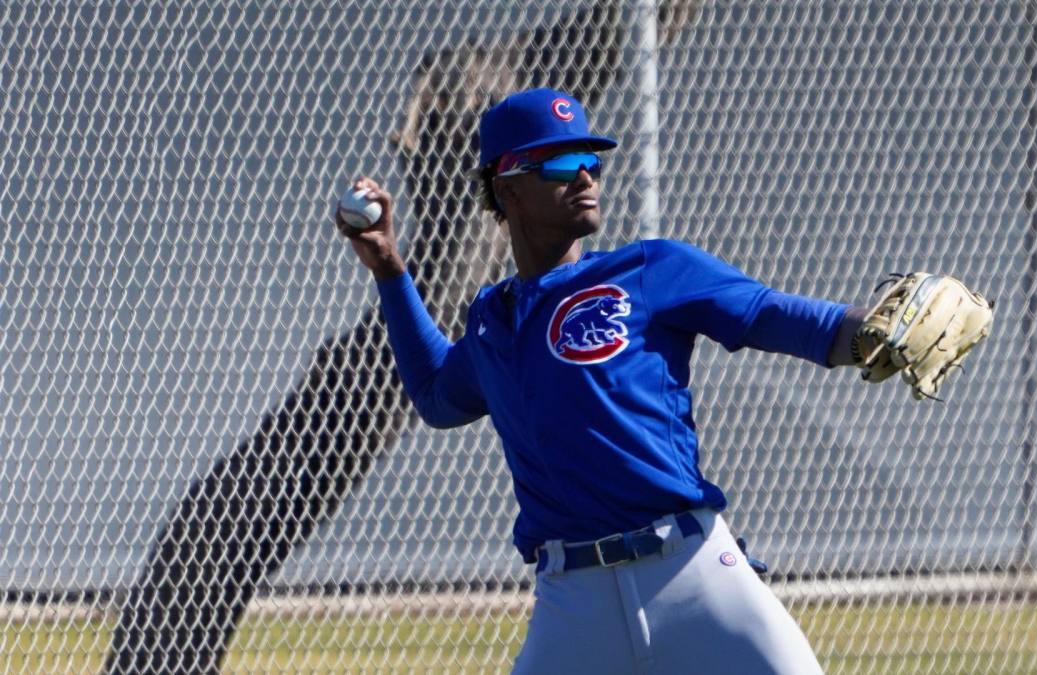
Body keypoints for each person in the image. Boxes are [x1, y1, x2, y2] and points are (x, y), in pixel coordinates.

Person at [104, 4, 700, 673]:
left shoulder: (539, 125)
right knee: (276, 484)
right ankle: (157, 656)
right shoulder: (487, 113)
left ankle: (163, 654)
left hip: (430, 337)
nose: (584, 176)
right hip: (406, 337)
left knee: (297, 479)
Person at [337, 87, 865, 674]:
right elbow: (438, 396)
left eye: (592, 161)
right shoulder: (493, 321)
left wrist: (864, 333)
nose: (586, 176)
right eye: (563, 163)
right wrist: (388, 267)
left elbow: (769, 314)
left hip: (692, 574)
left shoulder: (648, 270)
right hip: (573, 605)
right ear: (507, 186)